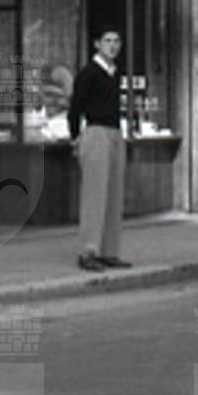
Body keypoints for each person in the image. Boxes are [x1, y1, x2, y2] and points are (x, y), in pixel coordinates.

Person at [68, 28, 130, 272]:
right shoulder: (89, 73)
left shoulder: (114, 73)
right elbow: (75, 108)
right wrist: (75, 138)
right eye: (107, 40)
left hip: (115, 133)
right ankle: (88, 251)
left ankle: (109, 251)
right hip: (95, 133)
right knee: (95, 194)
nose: (113, 45)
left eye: (117, 41)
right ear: (97, 44)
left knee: (114, 194)